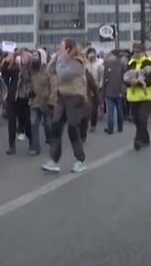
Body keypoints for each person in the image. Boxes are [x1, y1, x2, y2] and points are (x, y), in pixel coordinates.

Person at [41, 38, 88, 174]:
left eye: (62, 47)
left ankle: (80, 160)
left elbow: (63, 74)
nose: (59, 49)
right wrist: (55, 58)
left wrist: (61, 60)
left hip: (75, 97)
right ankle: (54, 160)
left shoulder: (78, 62)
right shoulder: (61, 60)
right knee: (56, 125)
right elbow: (50, 70)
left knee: (72, 128)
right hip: (62, 96)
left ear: (69, 48)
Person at [125, 43, 151, 151]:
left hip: (145, 96)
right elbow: (124, 77)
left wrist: (138, 82)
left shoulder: (149, 63)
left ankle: (138, 139)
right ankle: (145, 137)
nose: (136, 54)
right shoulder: (131, 63)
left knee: (142, 118)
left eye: (138, 52)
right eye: (134, 52)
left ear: (143, 52)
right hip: (133, 96)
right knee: (136, 119)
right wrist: (129, 82)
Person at [2, 50, 33, 155]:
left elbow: (28, 78)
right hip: (13, 98)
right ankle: (11, 145)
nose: (22, 58)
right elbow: (4, 73)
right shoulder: (14, 68)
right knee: (11, 122)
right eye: (21, 56)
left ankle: (32, 142)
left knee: (26, 121)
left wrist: (22, 67)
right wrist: (7, 62)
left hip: (24, 98)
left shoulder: (30, 69)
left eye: (25, 57)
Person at [29, 50, 53, 155]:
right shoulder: (31, 70)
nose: (34, 57)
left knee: (48, 125)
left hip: (46, 102)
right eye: (33, 55)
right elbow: (27, 81)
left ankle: (51, 141)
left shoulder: (48, 70)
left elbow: (53, 85)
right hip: (35, 101)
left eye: (36, 56)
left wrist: (52, 100)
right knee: (34, 123)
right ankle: (35, 147)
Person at [103, 50, 127, 134]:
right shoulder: (119, 65)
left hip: (113, 91)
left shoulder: (110, 65)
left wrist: (103, 92)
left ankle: (112, 127)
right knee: (117, 110)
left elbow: (105, 80)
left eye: (111, 55)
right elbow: (124, 79)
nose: (109, 57)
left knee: (113, 110)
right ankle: (118, 127)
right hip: (115, 91)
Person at [84, 48, 104, 132]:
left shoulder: (99, 64)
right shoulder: (85, 63)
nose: (91, 55)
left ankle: (93, 125)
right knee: (86, 107)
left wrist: (100, 86)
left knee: (94, 109)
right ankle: (85, 124)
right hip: (86, 88)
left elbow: (101, 76)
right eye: (90, 53)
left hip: (96, 87)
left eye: (93, 53)